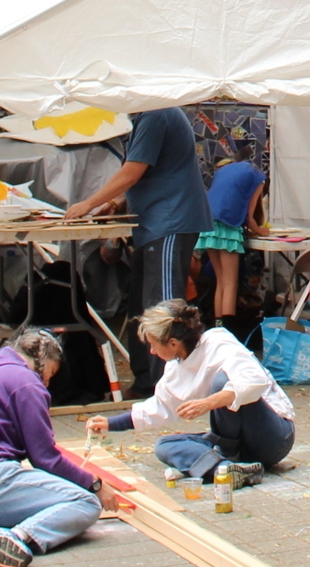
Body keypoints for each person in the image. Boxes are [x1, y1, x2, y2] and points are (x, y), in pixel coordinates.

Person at [0, 327, 124, 567]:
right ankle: (16, 537)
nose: (46, 384)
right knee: (84, 503)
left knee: (42, 501)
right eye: (49, 374)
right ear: (40, 360)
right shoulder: (25, 380)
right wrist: (95, 484)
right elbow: (45, 458)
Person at [62, 106, 210, 395]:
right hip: (152, 224)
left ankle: (170, 386)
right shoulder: (150, 115)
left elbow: (132, 172)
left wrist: (87, 204)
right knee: (142, 309)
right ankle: (146, 382)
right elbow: (144, 172)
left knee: (164, 310)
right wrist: (116, 203)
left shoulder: (156, 113)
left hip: (169, 221)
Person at [86, 299, 295, 482]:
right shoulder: (174, 368)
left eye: (153, 345)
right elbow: (160, 407)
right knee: (165, 445)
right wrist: (110, 423)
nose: (152, 351)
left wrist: (209, 402)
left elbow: (254, 382)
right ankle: (226, 469)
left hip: (274, 436)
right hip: (240, 444)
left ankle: (224, 459)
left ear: (173, 343)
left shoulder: (219, 342)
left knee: (222, 382)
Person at [198, 154, 267, 335]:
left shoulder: (225, 173)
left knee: (221, 281)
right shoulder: (259, 179)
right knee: (230, 283)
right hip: (228, 227)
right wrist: (262, 231)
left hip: (209, 224)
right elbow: (251, 220)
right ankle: (229, 333)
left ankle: (217, 329)